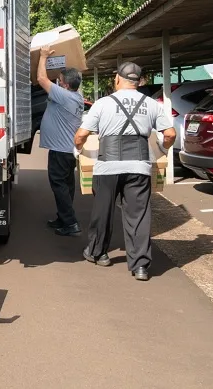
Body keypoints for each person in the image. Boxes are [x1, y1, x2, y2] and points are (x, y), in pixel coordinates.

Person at [74, 62, 176, 281]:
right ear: (138, 82)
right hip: (139, 165)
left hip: (107, 166)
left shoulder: (102, 104)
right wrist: (160, 150)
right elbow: (169, 134)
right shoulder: (151, 104)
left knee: (103, 211)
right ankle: (140, 266)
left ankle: (98, 253)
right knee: (138, 216)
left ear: (117, 80)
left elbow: (81, 135)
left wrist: (79, 150)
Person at [36, 46, 85, 237]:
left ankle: (71, 223)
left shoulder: (63, 96)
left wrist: (43, 56)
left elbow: (41, 79)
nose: (58, 82)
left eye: (60, 80)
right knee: (66, 185)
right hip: (67, 150)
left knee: (59, 185)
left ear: (64, 85)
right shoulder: (76, 97)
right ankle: (63, 218)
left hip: (60, 151)